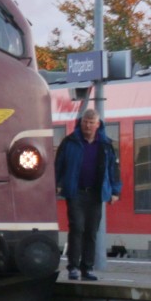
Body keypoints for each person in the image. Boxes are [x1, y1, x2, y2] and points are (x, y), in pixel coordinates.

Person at [54, 107, 121, 281]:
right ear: (80, 123)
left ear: (98, 124)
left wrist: (115, 191)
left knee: (92, 231)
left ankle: (87, 268)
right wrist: (57, 183)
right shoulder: (70, 142)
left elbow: (113, 169)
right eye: (85, 122)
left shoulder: (105, 145)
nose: (88, 126)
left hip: (95, 193)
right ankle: (73, 267)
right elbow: (58, 165)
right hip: (75, 191)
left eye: (91, 123)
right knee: (77, 228)